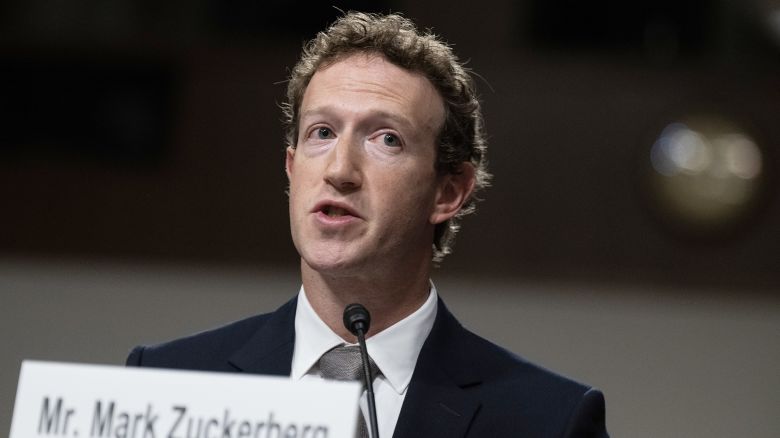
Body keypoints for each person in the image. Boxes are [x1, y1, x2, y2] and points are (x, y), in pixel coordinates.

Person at [127, 11, 609, 438]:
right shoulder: (169, 380)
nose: (338, 170)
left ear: (448, 192)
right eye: (322, 133)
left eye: (386, 139)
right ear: (292, 169)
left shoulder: (549, 420)